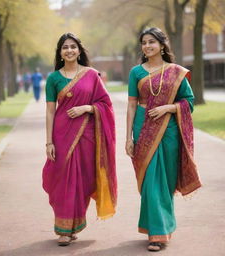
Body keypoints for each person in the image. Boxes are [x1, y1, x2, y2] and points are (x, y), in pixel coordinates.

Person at [125, 27, 201, 252]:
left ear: (162, 44)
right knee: (150, 181)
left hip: (169, 131)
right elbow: (131, 105)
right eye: (144, 42)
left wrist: (169, 107)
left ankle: (162, 227)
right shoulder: (136, 72)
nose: (147, 46)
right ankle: (156, 233)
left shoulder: (176, 72)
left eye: (152, 42)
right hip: (143, 128)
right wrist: (128, 136)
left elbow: (189, 101)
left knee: (165, 182)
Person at [42, 32, 117, 246]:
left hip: (87, 136)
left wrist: (87, 108)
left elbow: (106, 104)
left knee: (82, 181)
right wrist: (49, 142)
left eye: (73, 46)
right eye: (64, 47)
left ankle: (75, 224)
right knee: (63, 179)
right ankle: (64, 229)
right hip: (61, 135)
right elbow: (49, 111)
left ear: (79, 50)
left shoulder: (92, 74)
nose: (69, 50)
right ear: (60, 52)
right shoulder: (53, 78)